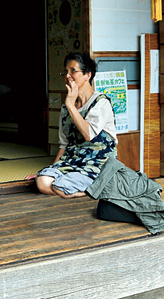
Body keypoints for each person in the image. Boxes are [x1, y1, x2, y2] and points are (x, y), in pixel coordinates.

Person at [34, 52, 117, 199]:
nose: (68, 75)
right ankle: (83, 188)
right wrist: (52, 168)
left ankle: (99, 187)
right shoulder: (66, 107)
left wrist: (71, 106)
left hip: (96, 163)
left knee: (59, 187)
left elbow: (88, 134)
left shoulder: (100, 103)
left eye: (73, 71)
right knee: (42, 182)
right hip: (72, 161)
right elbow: (64, 144)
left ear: (87, 75)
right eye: (65, 72)